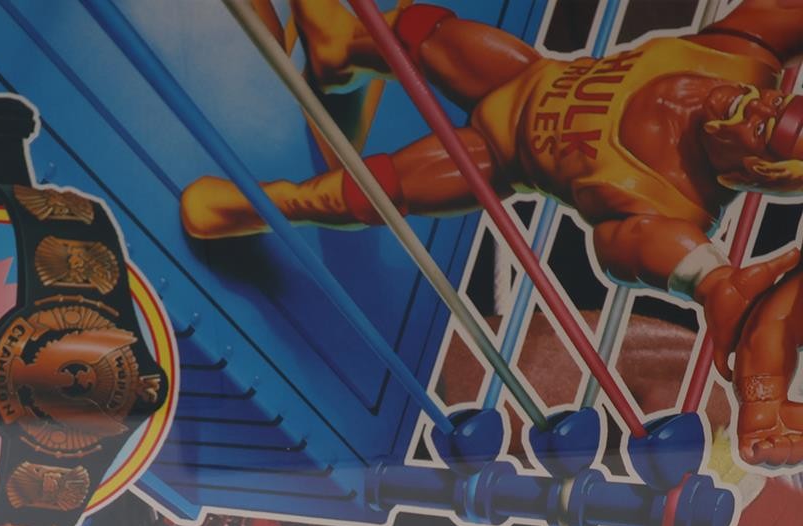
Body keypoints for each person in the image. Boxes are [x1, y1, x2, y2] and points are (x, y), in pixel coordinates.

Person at [180, 0, 803, 467]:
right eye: (776, 104)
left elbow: (636, 247)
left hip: (495, 155)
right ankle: (341, 51)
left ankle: (261, 205)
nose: (756, 105)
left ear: (757, 171)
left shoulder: (673, 197)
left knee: (375, 190)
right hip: (520, 75)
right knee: (419, 29)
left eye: (763, 128)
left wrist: (712, 283)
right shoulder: (737, 59)